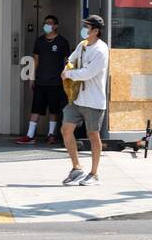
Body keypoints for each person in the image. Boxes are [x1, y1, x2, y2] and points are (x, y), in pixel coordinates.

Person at [60, 14, 110, 186]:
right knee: (66, 130)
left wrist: (68, 74)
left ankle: (94, 174)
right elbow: (71, 59)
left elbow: (88, 73)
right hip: (76, 99)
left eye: (87, 27)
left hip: (94, 101)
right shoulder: (82, 45)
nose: (83, 29)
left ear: (95, 31)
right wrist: (67, 67)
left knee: (93, 135)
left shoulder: (101, 50)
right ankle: (76, 168)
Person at [17, 14, 72, 145]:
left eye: (50, 23)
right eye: (45, 23)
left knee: (54, 109)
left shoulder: (62, 42)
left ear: (56, 26)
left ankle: (51, 134)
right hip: (41, 81)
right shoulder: (39, 41)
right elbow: (35, 60)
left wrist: (66, 77)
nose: (47, 25)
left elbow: (67, 61)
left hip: (56, 82)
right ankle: (30, 136)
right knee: (36, 108)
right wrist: (32, 77)